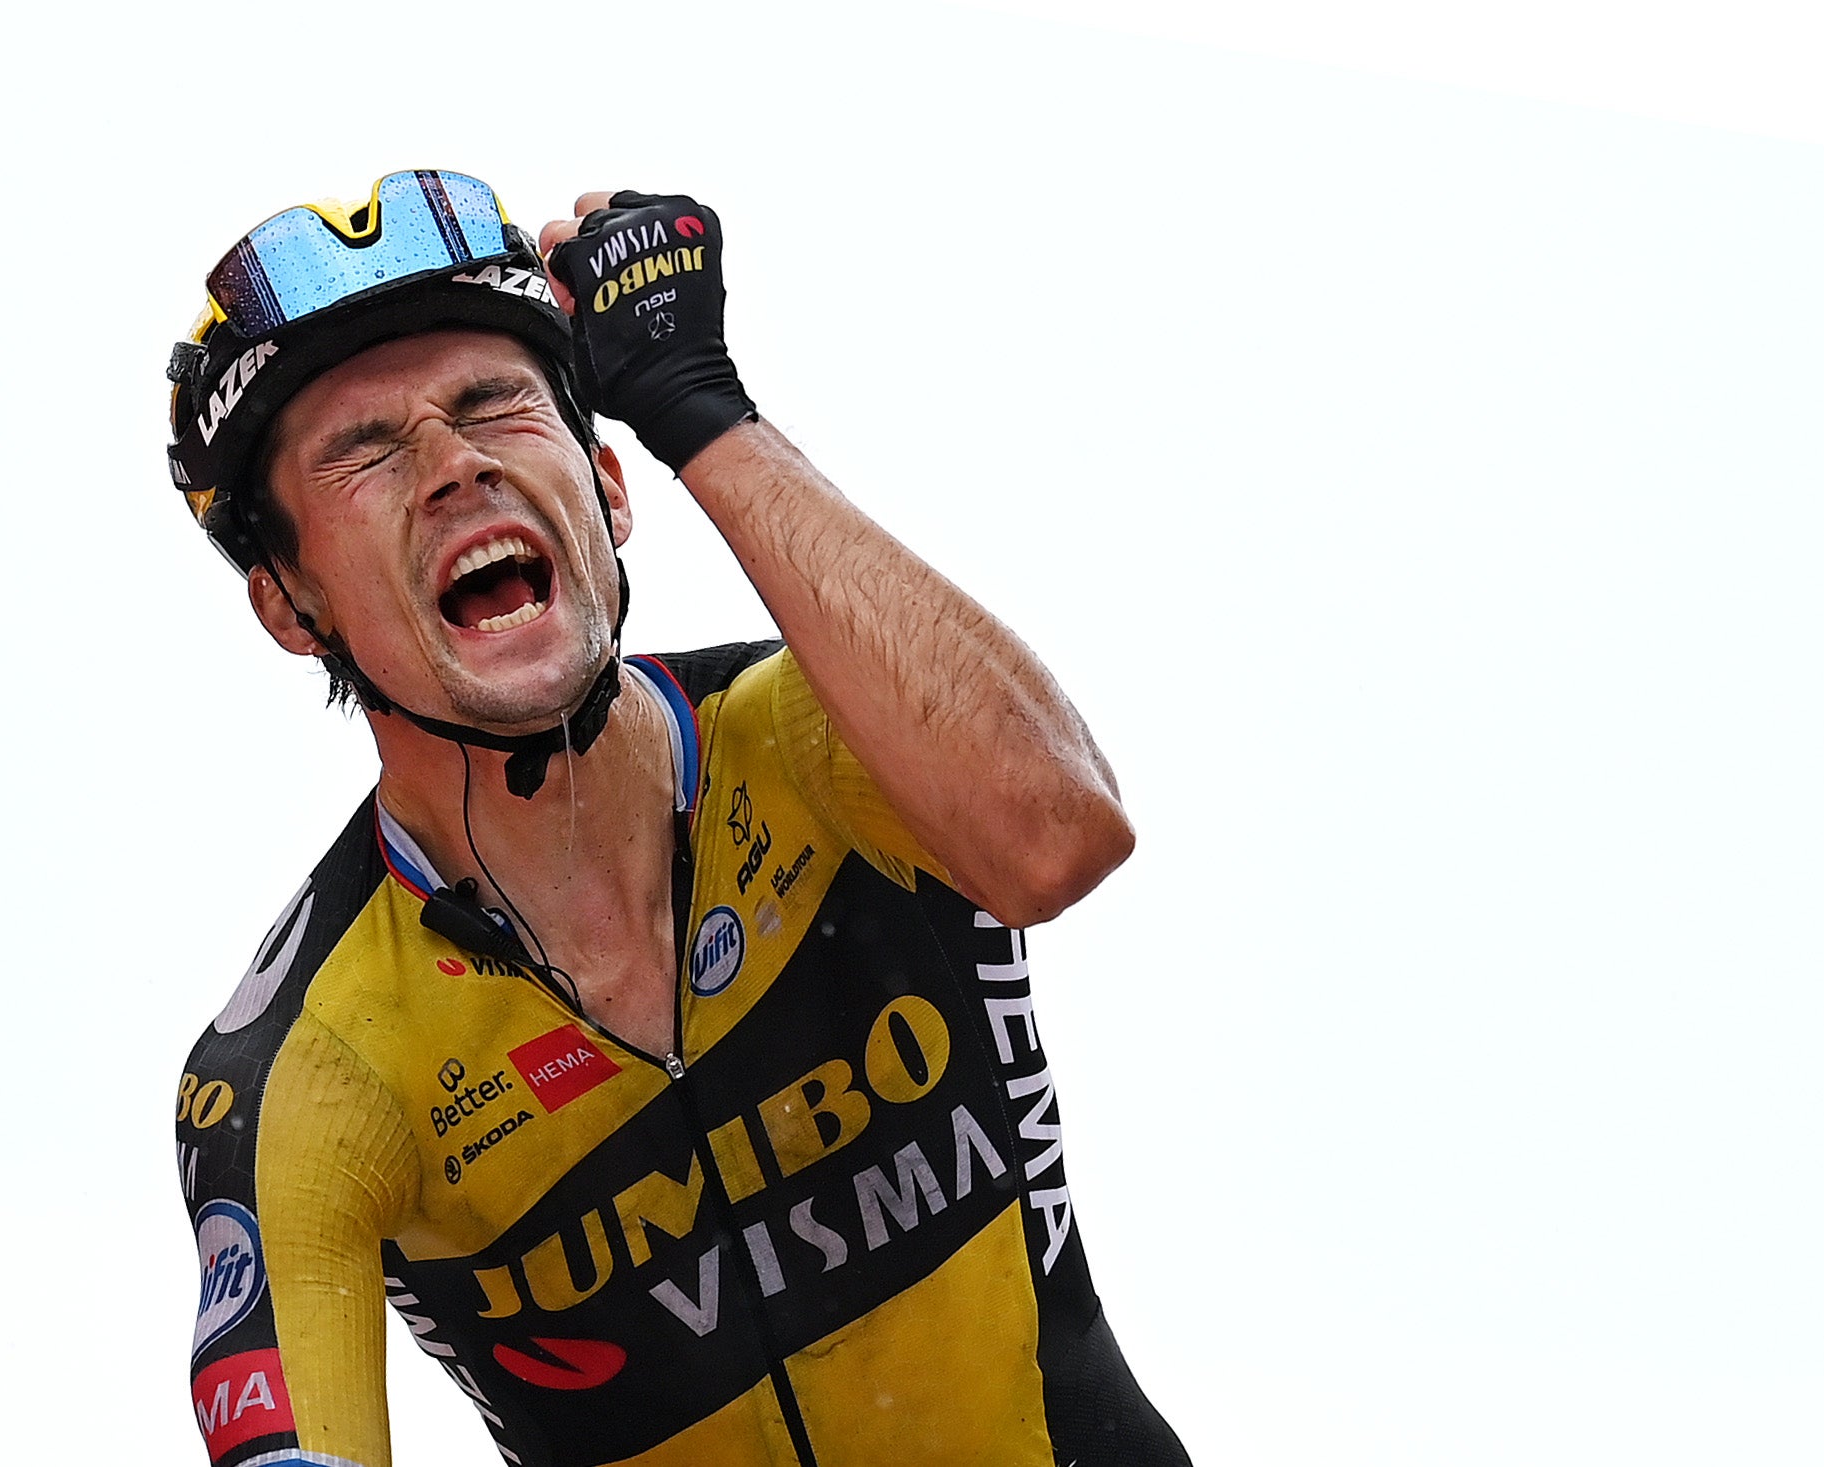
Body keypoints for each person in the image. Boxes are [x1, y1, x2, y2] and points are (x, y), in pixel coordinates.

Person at [165, 168, 1190, 1467]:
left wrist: (700, 409)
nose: (453, 463)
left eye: (494, 407)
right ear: (290, 606)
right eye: (364, 450)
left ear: (608, 486)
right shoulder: (309, 1069)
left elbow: (1058, 836)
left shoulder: (829, 735)